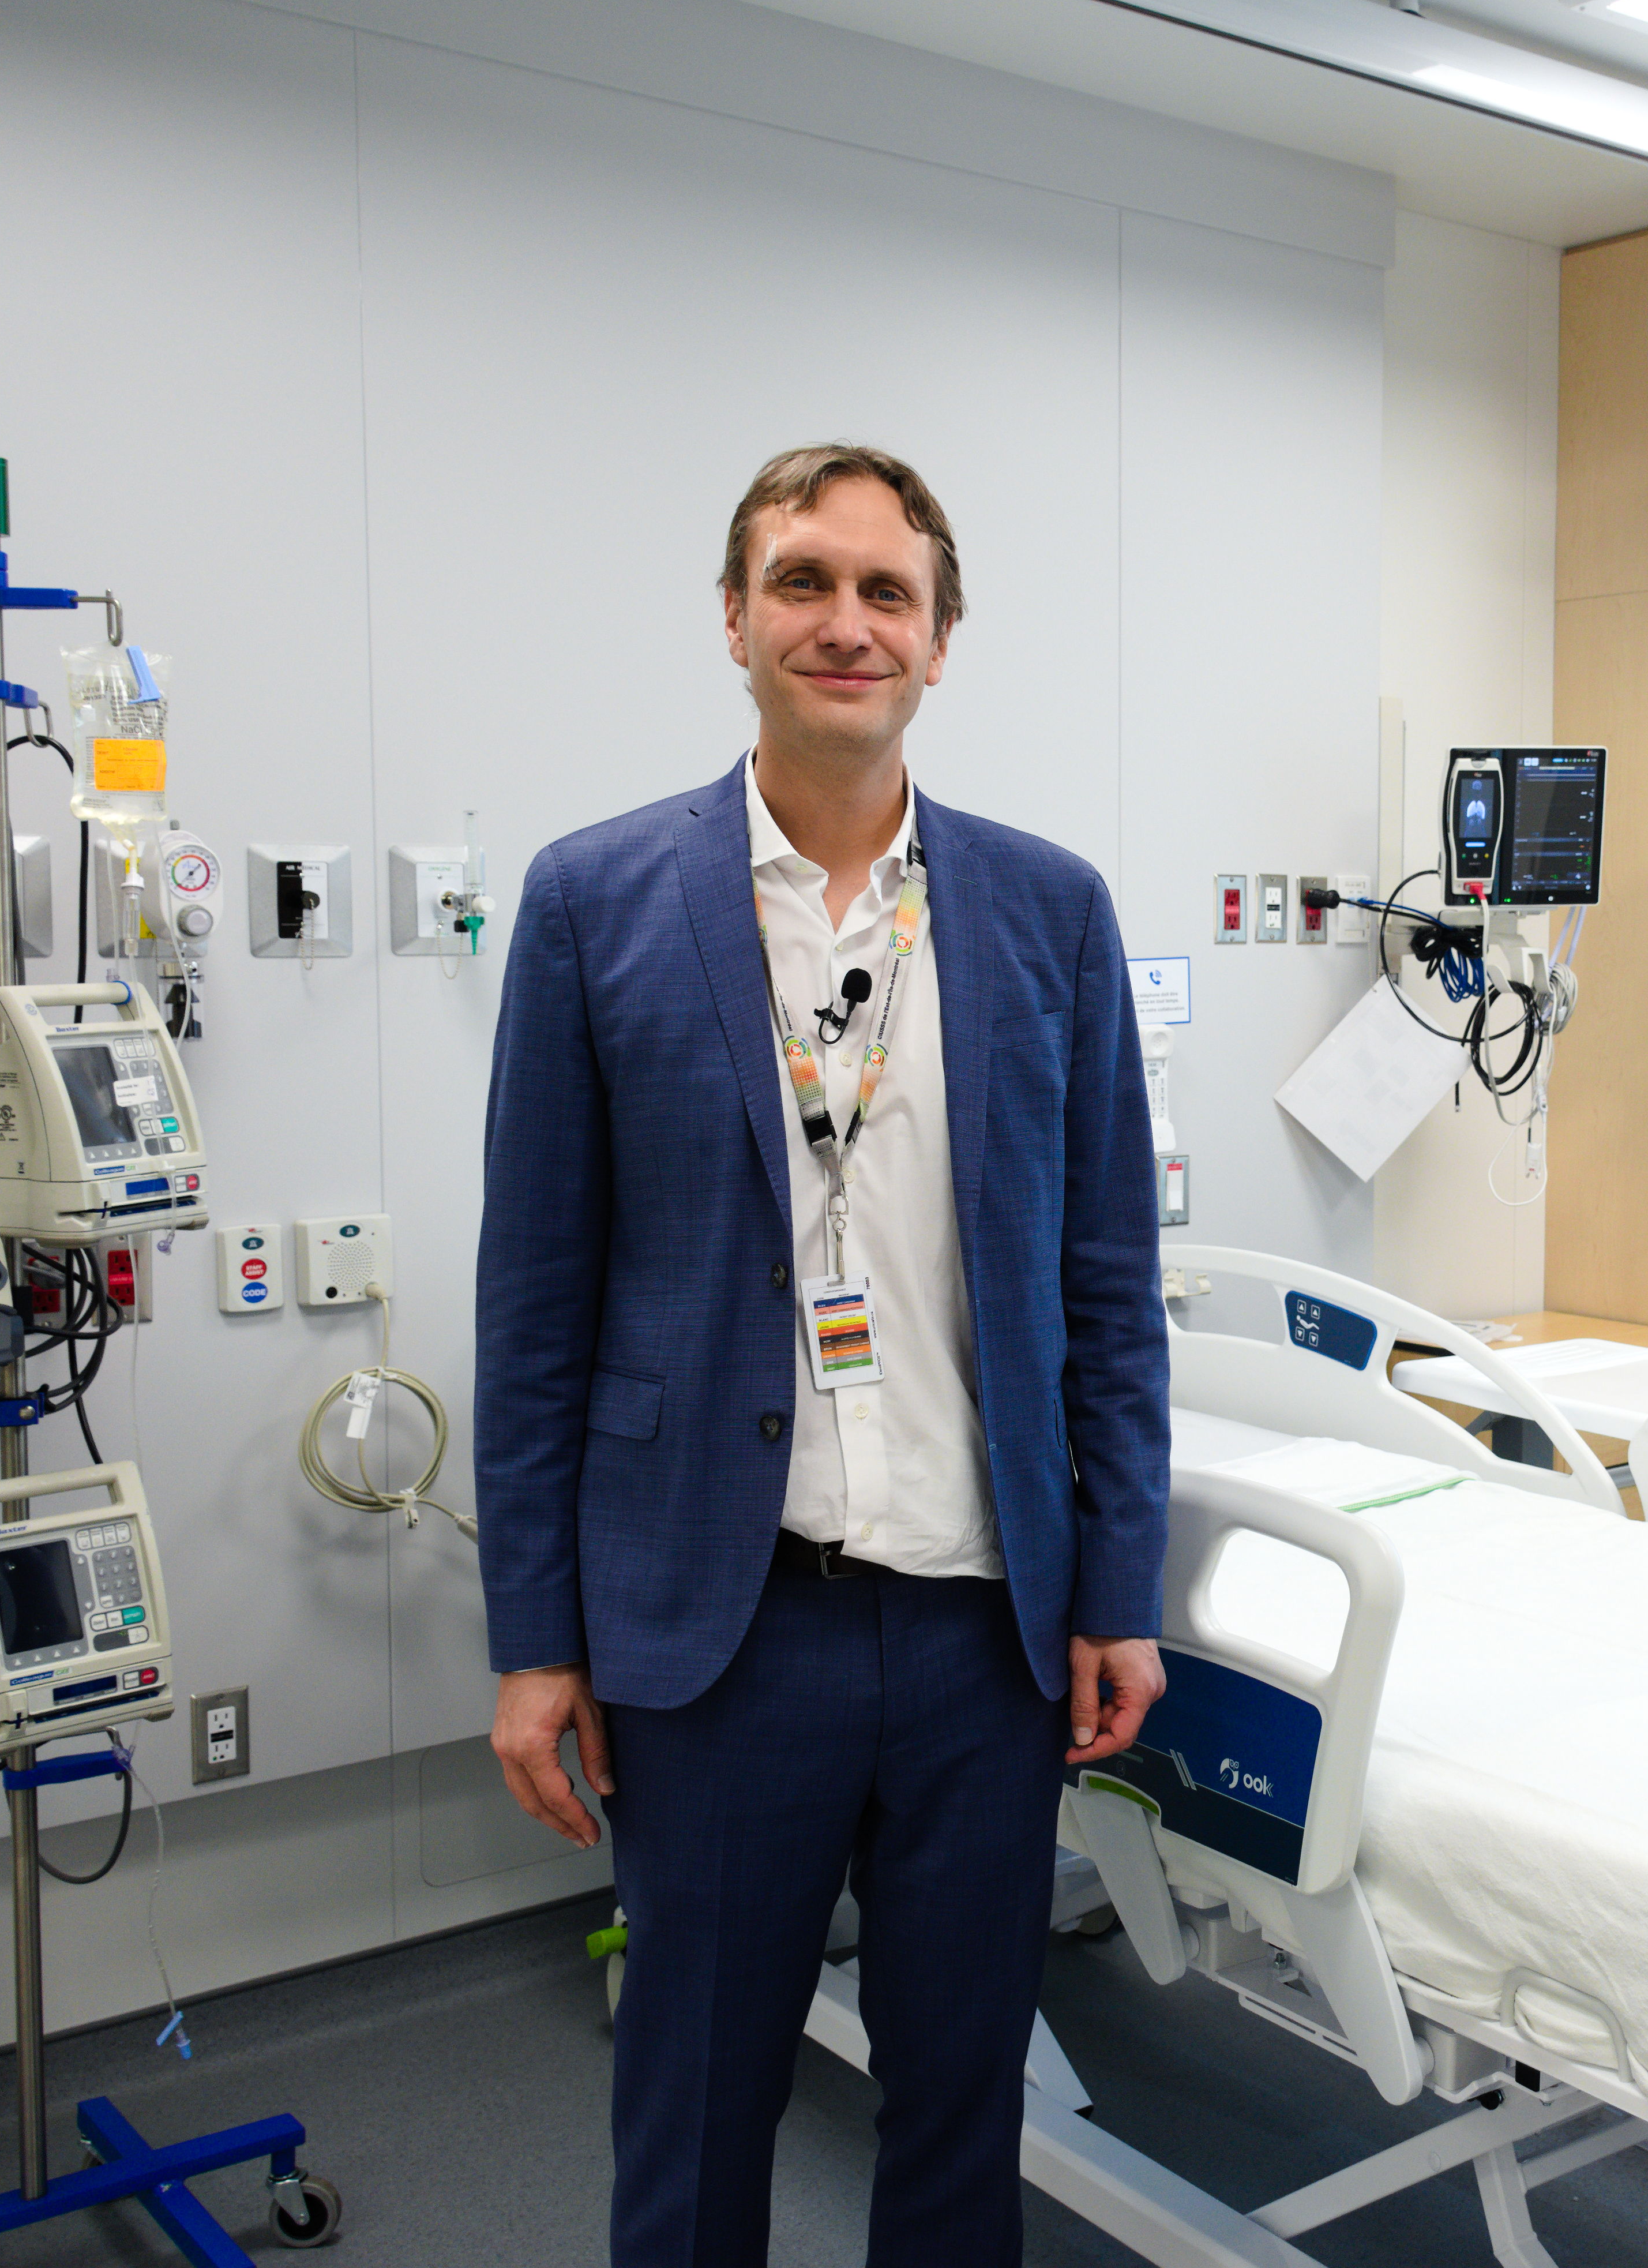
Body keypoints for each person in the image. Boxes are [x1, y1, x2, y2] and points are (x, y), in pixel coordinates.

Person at [475, 443, 1170, 2267]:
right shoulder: (596, 901)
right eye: (804, 584)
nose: (844, 624)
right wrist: (539, 1641)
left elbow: (1107, 1284)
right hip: (721, 1636)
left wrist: (1119, 1586)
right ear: (734, 619)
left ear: (942, 644)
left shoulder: (1049, 913)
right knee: (697, 2111)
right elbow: (536, 1303)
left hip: (979, 1632)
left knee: (960, 2113)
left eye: (887, 594)